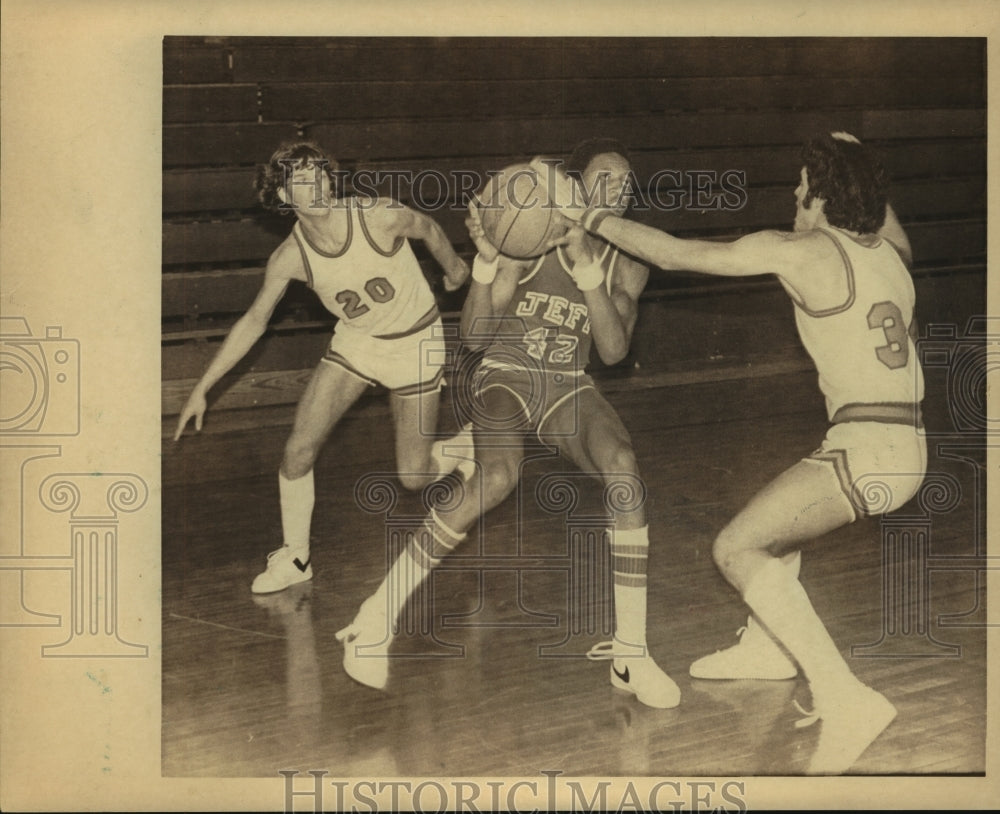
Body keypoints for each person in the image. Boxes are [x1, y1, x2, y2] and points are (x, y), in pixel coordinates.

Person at [533, 132, 926, 773]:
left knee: (735, 549)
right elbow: (874, 204)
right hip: (898, 444)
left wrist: (591, 216)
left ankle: (844, 696)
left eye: (803, 191)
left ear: (823, 197)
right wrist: (852, 157)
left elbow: (676, 253)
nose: (795, 201)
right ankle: (769, 647)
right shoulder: (892, 251)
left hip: (870, 451)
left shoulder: (802, 251)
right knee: (781, 520)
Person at [335, 138, 681, 709]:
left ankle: (631, 653)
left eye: (620, 187)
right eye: (598, 182)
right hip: (504, 374)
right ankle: (374, 619)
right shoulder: (532, 234)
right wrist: (490, 259)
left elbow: (615, 352)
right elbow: (473, 338)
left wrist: (590, 274)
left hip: (566, 382)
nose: (609, 194)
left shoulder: (628, 261)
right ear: (573, 190)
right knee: (497, 478)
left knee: (623, 470)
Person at [173, 141, 472, 594]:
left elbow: (426, 226)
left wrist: (454, 270)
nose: (316, 186)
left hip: (415, 341)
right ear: (282, 198)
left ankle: (464, 448)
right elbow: (255, 320)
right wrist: (204, 386)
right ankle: (296, 557)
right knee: (298, 448)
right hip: (358, 342)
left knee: (413, 476)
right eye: (301, 181)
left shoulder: (377, 215)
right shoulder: (289, 258)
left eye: (321, 175)